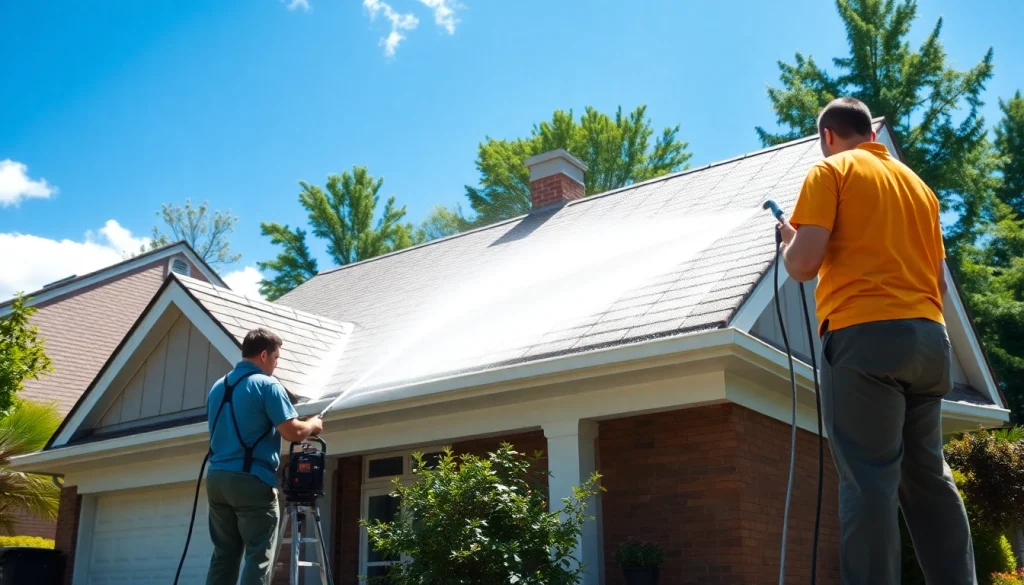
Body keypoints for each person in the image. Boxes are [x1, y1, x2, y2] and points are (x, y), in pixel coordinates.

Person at [779, 97, 976, 585]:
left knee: (868, 477)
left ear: (827, 136)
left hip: (864, 337)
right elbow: (940, 282)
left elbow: (803, 265)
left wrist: (789, 241)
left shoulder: (831, 172)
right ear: (870, 133)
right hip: (931, 342)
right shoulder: (920, 189)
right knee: (928, 477)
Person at [205, 327, 324, 585]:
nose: (275, 365)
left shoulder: (218, 386)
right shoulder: (267, 384)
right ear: (263, 355)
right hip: (250, 479)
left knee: (224, 554)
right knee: (259, 553)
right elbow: (292, 432)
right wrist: (313, 424)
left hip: (216, 479)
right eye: (276, 359)